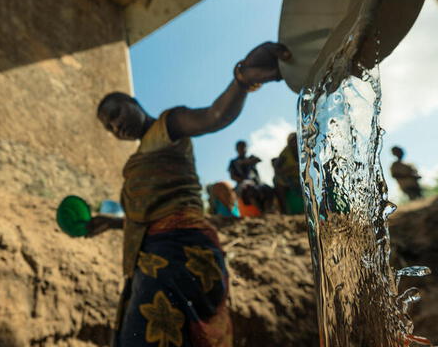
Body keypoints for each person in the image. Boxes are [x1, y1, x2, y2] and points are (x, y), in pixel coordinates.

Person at [94, 42, 291, 346]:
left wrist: (241, 78)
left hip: (181, 254)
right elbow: (147, 222)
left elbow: (214, 116)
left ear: (133, 102)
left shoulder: (168, 125)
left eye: (116, 113)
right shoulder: (137, 160)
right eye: (109, 127)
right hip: (151, 258)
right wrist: (111, 222)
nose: (116, 126)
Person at [228, 141, 275, 214]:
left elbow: (258, 160)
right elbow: (232, 176)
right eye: (240, 147)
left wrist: (246, 162)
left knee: (268, 189)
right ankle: (260, 211)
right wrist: (243, 181)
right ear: (236, 149)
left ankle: (268, 210)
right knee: (250, 191)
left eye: (244, 147)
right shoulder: (233, 162)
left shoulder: (251, 158)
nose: (242, 149)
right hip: (242, 184)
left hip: (257, 183)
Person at [273, 132, 304, 214]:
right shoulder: (285, 153)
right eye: (292, 141)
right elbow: (277, 170)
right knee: (277, 182)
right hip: (288, 178)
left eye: (296, 140)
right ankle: (285, 210)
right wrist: (291, 169)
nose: (294, 143)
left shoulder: (304, 150)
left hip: (302, 178)